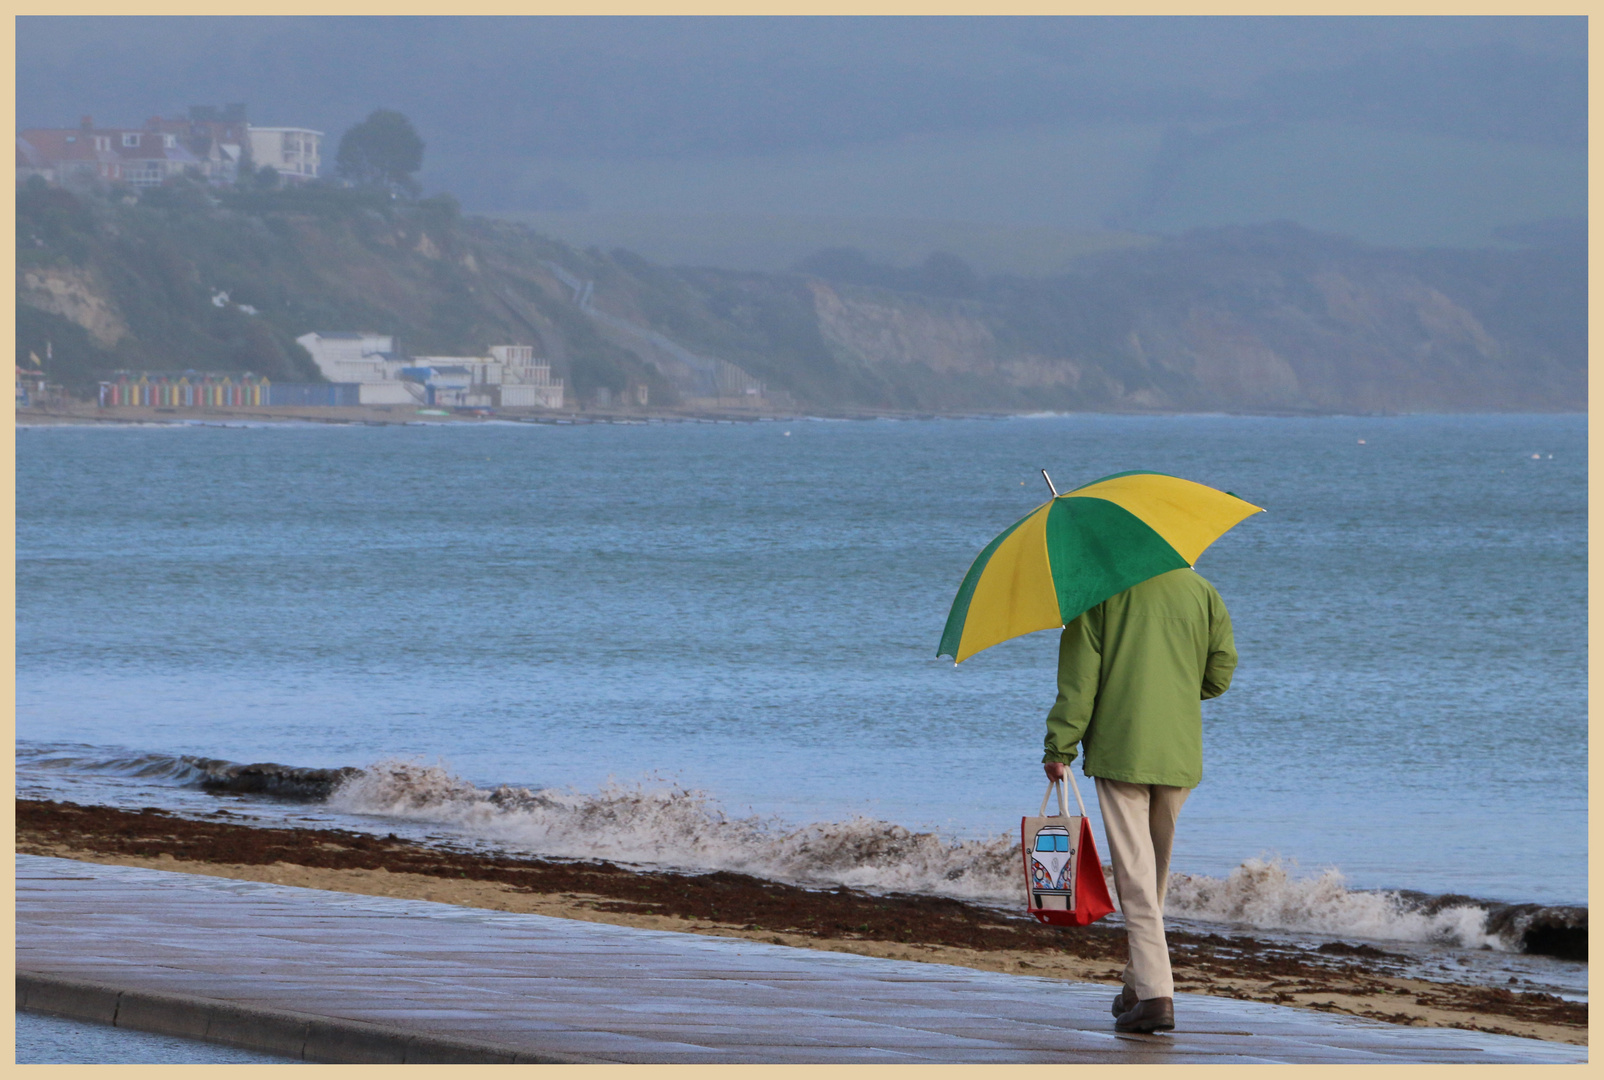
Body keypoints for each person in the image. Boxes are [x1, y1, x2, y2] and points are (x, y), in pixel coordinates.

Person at [1041, 566, 1236, 1034]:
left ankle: (1155, 997)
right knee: (1153, 878)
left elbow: (1079, 685)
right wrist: (1175, 690)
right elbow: (1220, 673)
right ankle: (1137, 983)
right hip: (1179, 752)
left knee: (1135, 878)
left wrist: (1058, 747)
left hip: (1121, 751)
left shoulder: (1096, 595)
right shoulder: (1201, 590)